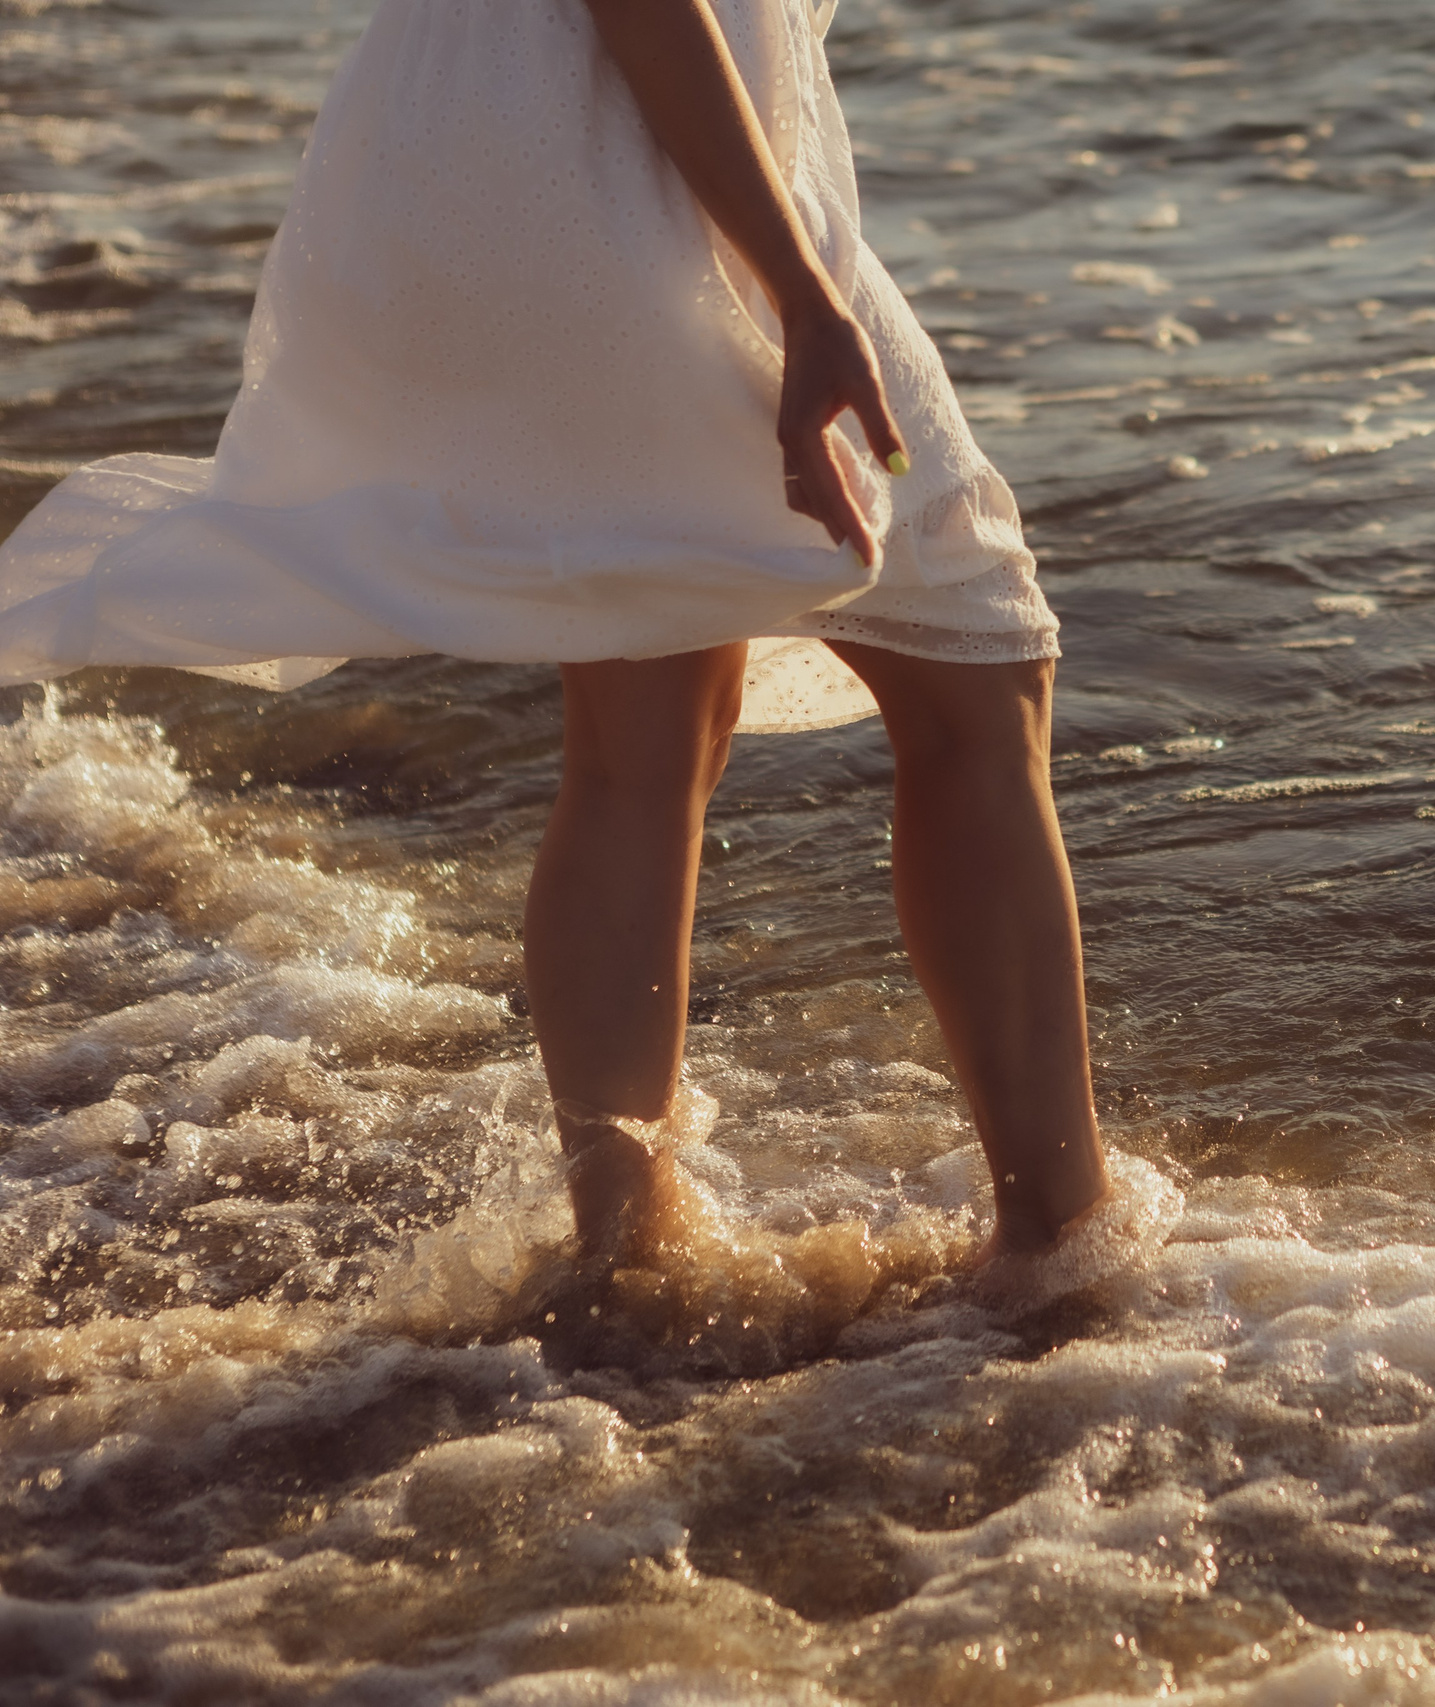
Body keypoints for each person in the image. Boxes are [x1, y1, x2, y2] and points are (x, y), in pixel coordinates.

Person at [0, 0, 1110, 1270]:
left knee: (648, 725)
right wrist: (802, 297)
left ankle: (628, 1252)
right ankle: (1058, 1243)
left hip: (522, 158)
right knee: (975, 661)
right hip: (619, 170)